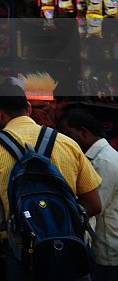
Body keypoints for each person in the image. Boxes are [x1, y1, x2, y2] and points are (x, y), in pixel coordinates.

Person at [0, 84, 101, 281]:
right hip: (70, 251)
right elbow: (94, 205)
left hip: (23, 253)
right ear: (29, 106)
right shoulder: (66, 142)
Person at [58, 108, 118, 281]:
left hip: (106, 249)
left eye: (66, 133)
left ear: (83, 133)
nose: (63, 139)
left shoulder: (103, 162)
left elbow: (93, 208)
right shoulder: (99, 158)